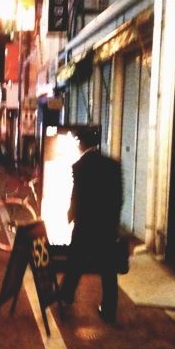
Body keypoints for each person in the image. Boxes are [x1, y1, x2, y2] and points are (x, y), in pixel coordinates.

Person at [58, 126, 123, 323]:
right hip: (106, 226)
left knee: (75, 263)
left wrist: (70, 215)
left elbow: (76, 196)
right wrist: (113, 223)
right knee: (108, 270)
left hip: (85, 224)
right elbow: (118, 198)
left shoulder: (80, 166)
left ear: (81, 144)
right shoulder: (112, 165)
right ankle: (109, 310)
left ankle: (66, 296)